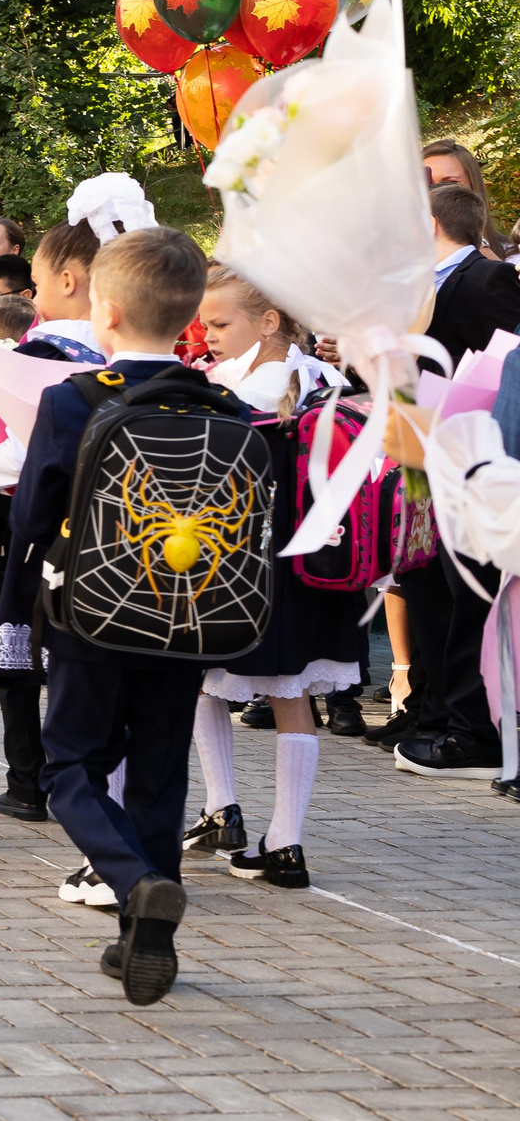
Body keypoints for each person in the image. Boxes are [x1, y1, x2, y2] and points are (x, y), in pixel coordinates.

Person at [7, 227, 223, 1000]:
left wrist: (11, 614)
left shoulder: (75, 399)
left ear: (105, 311)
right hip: (192, 615)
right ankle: (141, 933)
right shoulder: (223, 404)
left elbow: (31, 515)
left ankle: (133, 882)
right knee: (159, 775)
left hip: (91, 615)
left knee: (70, 764)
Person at [183, 266, 358, 889]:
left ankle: (231, 812)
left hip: (244, 567)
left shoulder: (237, 390)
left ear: (270, 321)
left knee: (206, 678)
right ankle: (279, 838)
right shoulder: (328, 379)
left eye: (220, 323)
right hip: (319, 564)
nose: (208, 336)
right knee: (293, 695)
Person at [390, 182, 520, 777]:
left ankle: (473, 726)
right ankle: (434, 713)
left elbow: (501, 355)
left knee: (463, 582)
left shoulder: (485, 278)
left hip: (464, 441)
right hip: (416, 444)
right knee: (420, 578)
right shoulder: (416, 285)